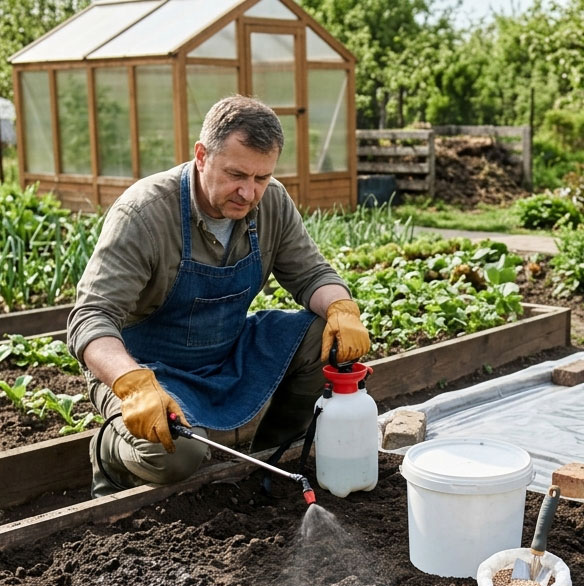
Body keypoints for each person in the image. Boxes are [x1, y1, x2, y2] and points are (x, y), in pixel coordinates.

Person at [68, 95, 371, 497]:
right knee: (177, 455)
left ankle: (273, 459)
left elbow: (312, 274)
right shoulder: (144, 214)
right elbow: (90, 316)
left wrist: (341, 306)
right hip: (147, 368)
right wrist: (131, 383)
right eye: (236, 175)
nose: (248, 192)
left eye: (261, 178)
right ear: (201, 156)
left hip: (224, 353)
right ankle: (109, 455)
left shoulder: (272, 203)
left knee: (323, 335)